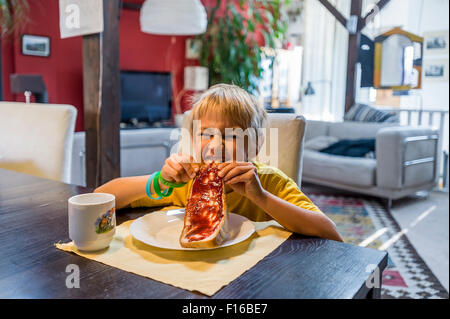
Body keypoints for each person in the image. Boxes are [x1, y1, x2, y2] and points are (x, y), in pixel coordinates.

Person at [95, 84, 343, 242]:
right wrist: (159, 181)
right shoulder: (186, 179)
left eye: (232, 135)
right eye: (206, 134)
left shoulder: (268, 181)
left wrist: (261, 197)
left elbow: (330, 233)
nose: (215, 145)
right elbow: (101, 197)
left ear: (256, 145)